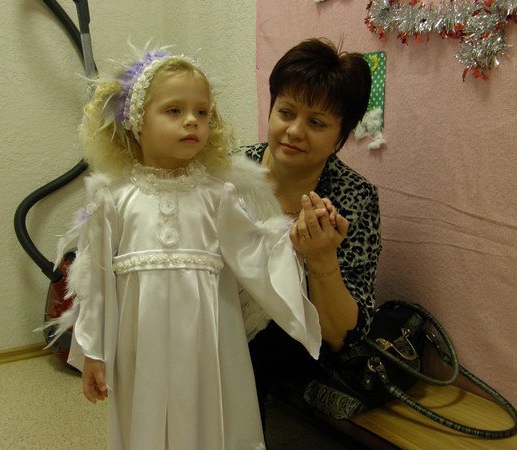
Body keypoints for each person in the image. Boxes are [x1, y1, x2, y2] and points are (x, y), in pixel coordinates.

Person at [47, 46, 336, 449]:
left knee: (207, 415)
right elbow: (94, 281)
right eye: (174, 110)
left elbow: (254, 251)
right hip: (140, 341)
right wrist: (94, 352)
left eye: (202, 112)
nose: (191, 121)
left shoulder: (218, 195)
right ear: (136, 121)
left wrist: (292, 239)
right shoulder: (113, 200)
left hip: (207, 341)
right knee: (144, 416)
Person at [241, 38, 382, 425]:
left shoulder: (353, 197)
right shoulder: (234, 170)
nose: (294, 131)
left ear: (340, 136)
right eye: (286, 112)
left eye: (316, 123)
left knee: (251, 346)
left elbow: (341, 336)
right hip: (223, 314)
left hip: (297, 338)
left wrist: (321, 258)